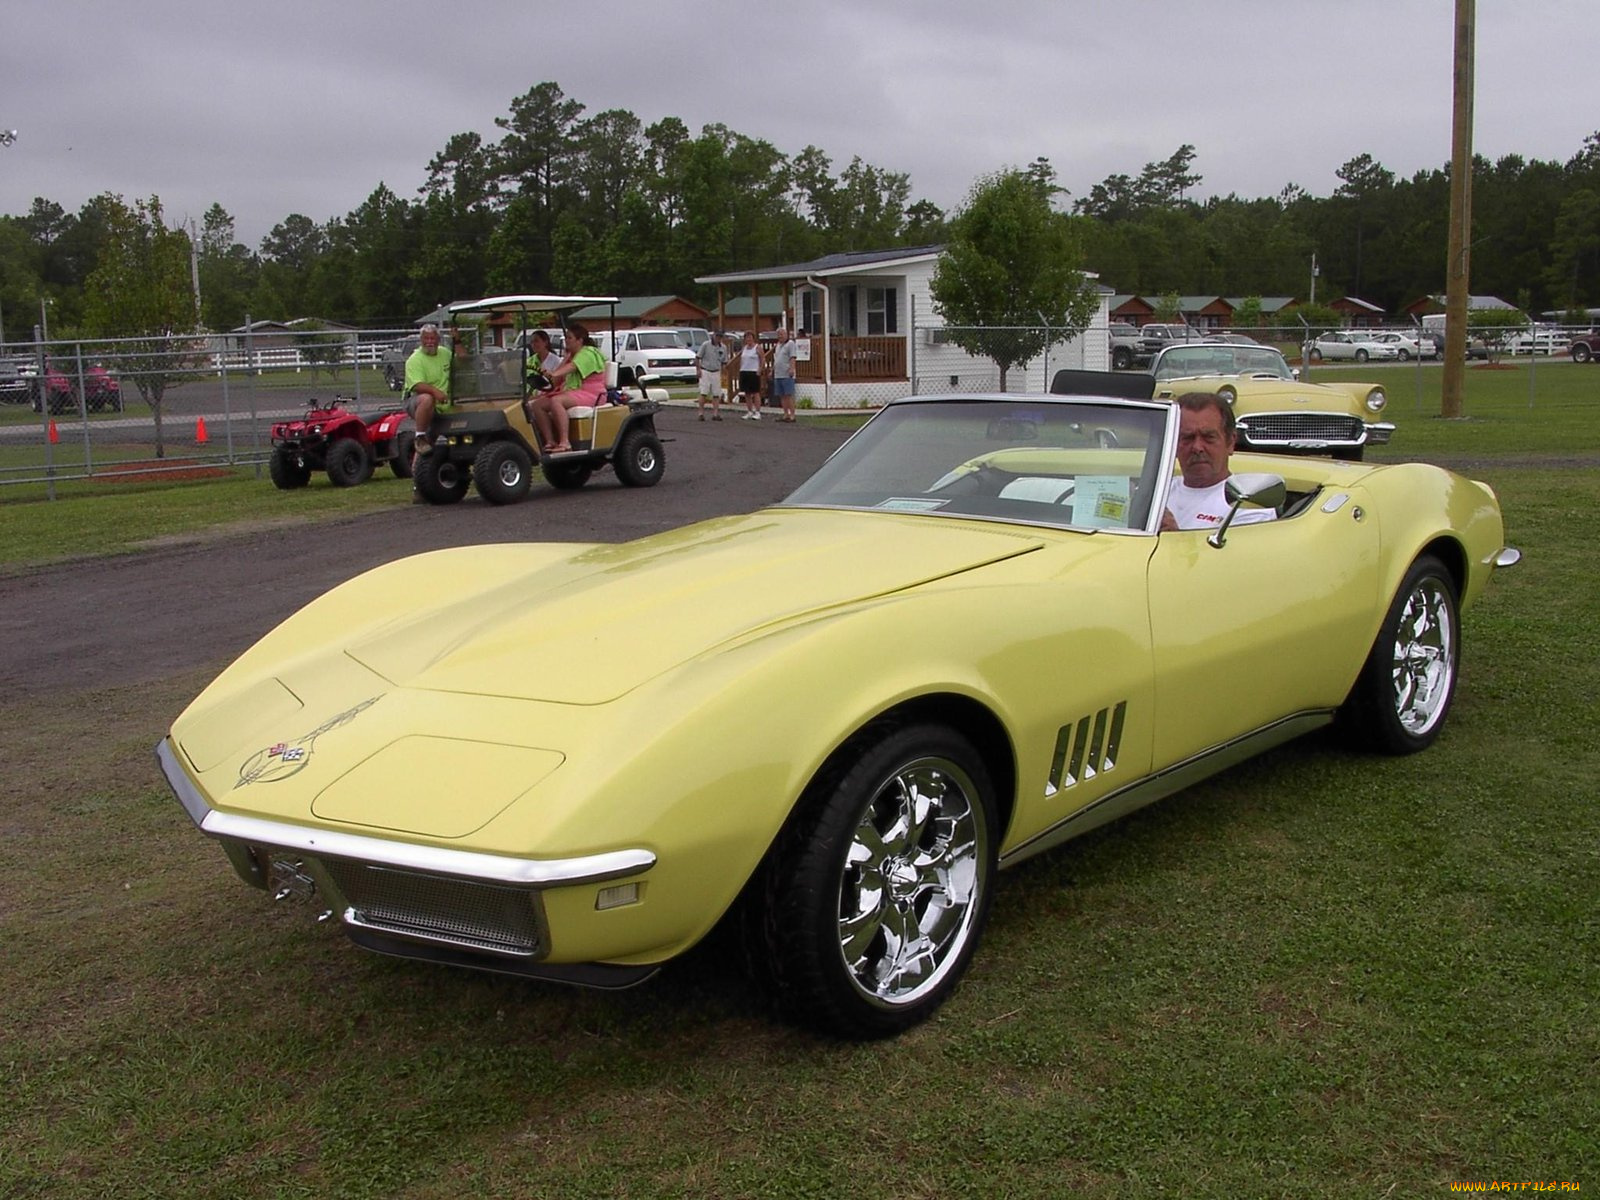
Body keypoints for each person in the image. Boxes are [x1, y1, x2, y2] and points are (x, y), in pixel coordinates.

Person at [1160, 392, 1278, 531]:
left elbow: (1243, 553)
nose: (1197, 447)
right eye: (1187, 437)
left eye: (1208, 437)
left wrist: (1174, 537)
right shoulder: (1159, 493)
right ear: (1173, 443)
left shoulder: (1249, 506)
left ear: (1231, 442)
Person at [531, 321, 608, 453]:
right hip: (574, 392)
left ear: (580, 340)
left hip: (592, 393)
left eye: (569, 338)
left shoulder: (588, 353)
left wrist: (554, 373)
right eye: (566, 338)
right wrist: (544, 382)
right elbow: (557, 379)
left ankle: (565, 442)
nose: (566, 341)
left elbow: (572, 367)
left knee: (557, 401)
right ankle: (550, 441)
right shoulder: (570, 356)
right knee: (537, 405)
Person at [403, 324, 453, 470]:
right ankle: (419, 437)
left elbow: (463, 360)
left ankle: (418, 474)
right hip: (418, 402)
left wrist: (457, 341)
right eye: (426, 338)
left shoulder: (445, 353)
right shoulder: (415, 359)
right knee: (427, 398)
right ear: (421, 340)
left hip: (444, 405)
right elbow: (417, 386)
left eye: (433, 338)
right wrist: (436, 392)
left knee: (429, 443)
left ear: (438, 340)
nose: (429, 342)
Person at [695, 330, 728, 421]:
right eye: (717, 336)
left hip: (716, 371)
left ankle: (715, 413)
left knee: (716, 393)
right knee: (704, 392)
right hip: (705, 370)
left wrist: (724, 371)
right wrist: (698, 370)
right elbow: (698, 357)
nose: (718, 338)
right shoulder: (706, 345)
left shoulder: (723, 347)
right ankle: (701, 413)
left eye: (720, 337)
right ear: (713, 336)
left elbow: (724, 361)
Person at [769, 326, 798, 422]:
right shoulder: (777, 345)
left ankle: (792, 415)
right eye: (778, 334)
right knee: (781, 395)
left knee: (788, 395)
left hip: (787, 373)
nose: (780, 336)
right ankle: (786, 414)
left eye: (782, 334)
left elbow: (792, 357)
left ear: (786, 335)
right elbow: (776, 360)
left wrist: (792, 369)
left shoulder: (790, 344)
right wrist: (772, 370)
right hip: (778, 374)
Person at [736, 331, 763, 420]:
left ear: (753, 338)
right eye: (747, 337)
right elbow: (741, 359)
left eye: (750, 337)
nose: (748, 339)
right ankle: (749, 411)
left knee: (755, 392)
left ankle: (758, 412)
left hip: (753, 372)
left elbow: (762, 359)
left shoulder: (757, 347)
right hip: (744, 371)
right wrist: (740, 369)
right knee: (747, 393)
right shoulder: (744, 348)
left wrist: (760, 369)